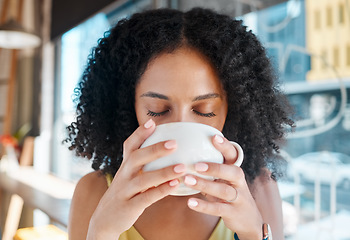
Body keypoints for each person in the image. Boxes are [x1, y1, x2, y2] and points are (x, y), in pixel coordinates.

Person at [66, 7, 294, 240]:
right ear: (128, 106)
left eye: (204, 110)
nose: (180, 127)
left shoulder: (260, 188)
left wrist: (253, 234)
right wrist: (100, 233)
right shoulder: (95, 192)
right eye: (158, 110)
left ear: (233, 109)